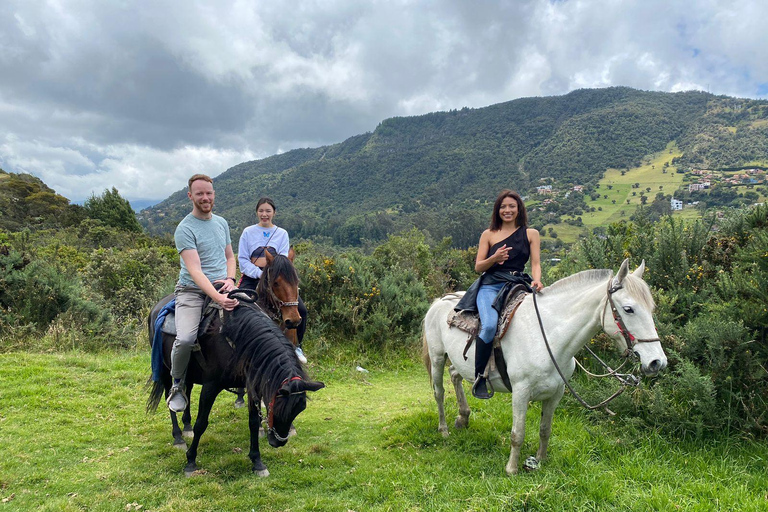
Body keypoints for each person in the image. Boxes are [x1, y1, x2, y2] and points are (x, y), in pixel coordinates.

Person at [455, 190, 543, 399]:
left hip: (518, 284)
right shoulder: (489, 234)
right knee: (490, 326)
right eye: (503, 207)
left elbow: (536, 263)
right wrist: (494, 258)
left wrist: (537, 280)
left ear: (519, 208)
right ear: (498, 210)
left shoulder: (531, 234)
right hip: (491, 286)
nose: (507, 210)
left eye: (512, 206)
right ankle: (480, 377)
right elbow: (478, 266)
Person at [167, 174, 239, 413]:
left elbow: (230, 257)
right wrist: (217, 298)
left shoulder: (221, 223)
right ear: (190, 196)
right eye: (199, 194)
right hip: (193, 291)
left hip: (224, 286)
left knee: (259, 323)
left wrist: (230, 280)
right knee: (186, 338)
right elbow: (195, 271)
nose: (205, 197)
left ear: (214, 194)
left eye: (209, 193)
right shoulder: (185, 229)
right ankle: (177, 384)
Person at [238, 197, 308, 364]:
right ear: (257, 212)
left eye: (268, 211)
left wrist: (270, 276)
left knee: (302, 310)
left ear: (274, 213)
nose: (264, 214)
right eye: (261, 211)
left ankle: (297, 345)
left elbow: (283, 260)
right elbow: (242, 259)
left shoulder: (281, 233)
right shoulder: (248, 232)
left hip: (277, 279)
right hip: (252, 278)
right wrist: (260, 275)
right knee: (238, 307)